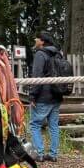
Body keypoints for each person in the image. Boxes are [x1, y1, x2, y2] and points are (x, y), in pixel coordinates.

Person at [28, 32, 65, 161]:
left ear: (42, 41)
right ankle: (54, 154)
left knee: (35, 124)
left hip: (43, 96)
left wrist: (32, 96)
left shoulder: (40, 54)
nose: (35, 39)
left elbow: (37, 77)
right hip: (56, 95)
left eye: (37, 38)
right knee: (53, 125)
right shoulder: (58, 54)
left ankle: (40, 153)